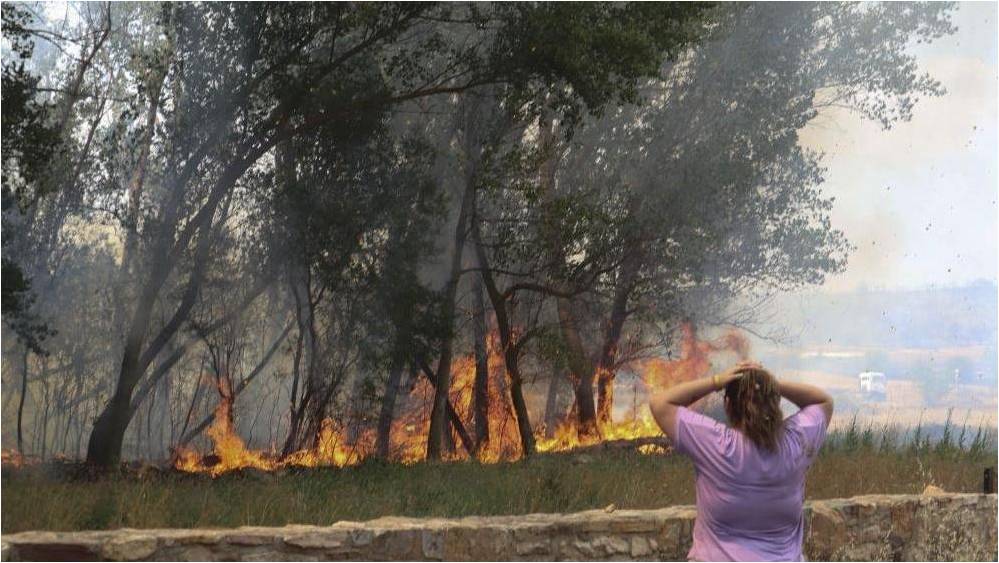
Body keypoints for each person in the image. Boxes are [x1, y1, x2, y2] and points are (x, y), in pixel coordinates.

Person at [649, 362, 833, 562]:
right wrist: (769, 384)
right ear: (774, 403)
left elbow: (660, 403)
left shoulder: (716, 444)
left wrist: (716, 381)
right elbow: (823, 401)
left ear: (728, 405)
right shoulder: (794, 443)